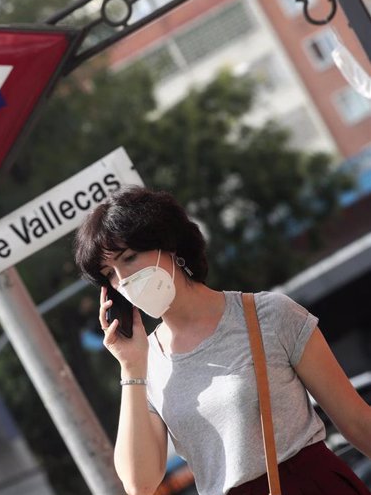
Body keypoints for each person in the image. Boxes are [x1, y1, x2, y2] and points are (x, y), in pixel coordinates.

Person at [73, 185, 371, 495]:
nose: (122, 280)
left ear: (168, 244)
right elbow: (139, 483)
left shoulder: (268, 314)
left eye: (130, 257)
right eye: (109, 273)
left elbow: (357, 422)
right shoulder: (147, 363)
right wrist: (130, 369)